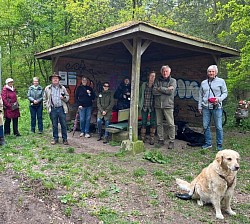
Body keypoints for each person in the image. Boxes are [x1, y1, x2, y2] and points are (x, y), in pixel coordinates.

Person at [198, 65, 228, 151]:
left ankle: (219, 145)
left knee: (218, 126)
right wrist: (199, 106)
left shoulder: (221, 81)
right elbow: (200, 95)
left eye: (213, 71)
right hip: (205, 107)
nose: (211, 73)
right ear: (207, 73)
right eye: (209, 71)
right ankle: (208, 143)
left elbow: (225, 93)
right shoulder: (203, 83)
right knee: (205, 126)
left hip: (217, 107)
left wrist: (218, 99)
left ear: (216, 72)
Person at [153, 65, 176, 149]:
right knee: (159, 123)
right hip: (158, 105)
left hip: (168, 105)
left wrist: (160, 89)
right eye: (163, 71)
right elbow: (154, 91)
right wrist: (165, 89)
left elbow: (170, 92)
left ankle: (172, 141)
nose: (165, 73)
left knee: (171, 124)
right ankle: (161, 139)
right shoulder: (157, 80)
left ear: (169, 72)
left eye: (166, 71)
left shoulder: (173, 81)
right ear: (161, 72)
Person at [43, 72, 70, 145]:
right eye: (54, 78)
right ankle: (55, 139)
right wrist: (46, 106)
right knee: (54, 125)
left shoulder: (62, 88)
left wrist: (63, 98)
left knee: (63, 124)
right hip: (53, 109)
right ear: (51, 80)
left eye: (56, 78)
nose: (55, 80)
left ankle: (65, 139)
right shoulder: (47, 88)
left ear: (59, 80)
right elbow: (44, 99)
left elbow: (67, 98)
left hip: (61, 108)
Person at [139, 71, 156, 145]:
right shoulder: (143, 85)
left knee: (153, 122)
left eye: (154, 76)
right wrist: (139, 104)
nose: (152, 78)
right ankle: (142, 137)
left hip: (152, 107)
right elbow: (140, 95)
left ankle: (152, 138)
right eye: (151, 76)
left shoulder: (155, 85)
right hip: (144, 106)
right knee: (143, 122)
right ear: (148, 76)